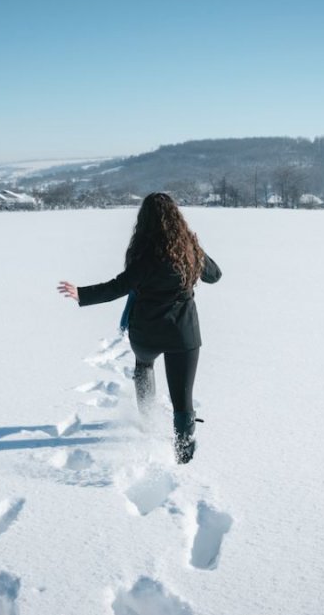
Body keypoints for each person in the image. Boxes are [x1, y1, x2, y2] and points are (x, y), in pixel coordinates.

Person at [58, 193, 221, 464]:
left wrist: (82, 294)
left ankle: (147, 423)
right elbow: (215, 275)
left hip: (146, 332)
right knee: (183, 400)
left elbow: (118, 287)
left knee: (144, 367)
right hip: (183, 334)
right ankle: (184, 454)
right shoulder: (188, 250)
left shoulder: (144, 254)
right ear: (177, 219)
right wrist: (194, 245)